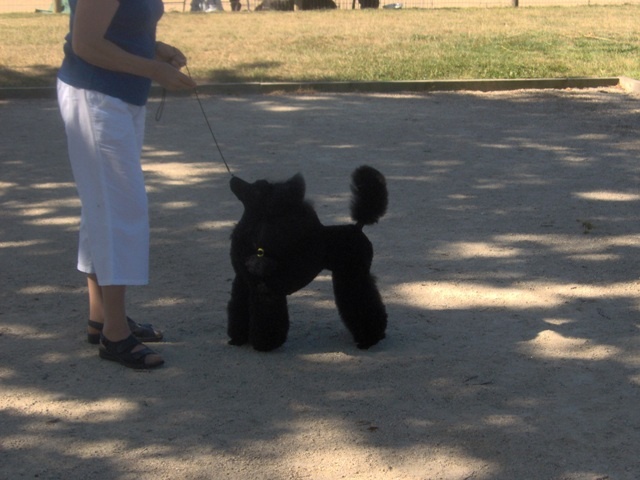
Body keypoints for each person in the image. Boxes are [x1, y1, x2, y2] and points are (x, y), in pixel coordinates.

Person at [57, 0, 197, 369]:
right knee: (120, 209)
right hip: (97, 95)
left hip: (120, 96)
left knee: (102, 206)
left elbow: (118, 27)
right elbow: (86, 44)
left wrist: (155, 49)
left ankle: (101, 317)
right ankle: (115, 335)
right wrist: (154, 69)